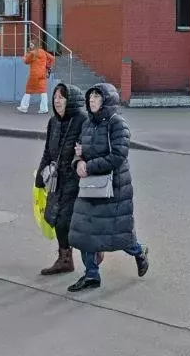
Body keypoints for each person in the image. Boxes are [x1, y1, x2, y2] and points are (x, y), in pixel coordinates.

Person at [68, 83, 149, 292]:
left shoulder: (117, 123)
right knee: (85, 232)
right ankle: (91, 275)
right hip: (89, 186)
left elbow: (118, 156)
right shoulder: (87, 124)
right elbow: (78, 150)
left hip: (113, 188)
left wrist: (89, 166)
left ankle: (139, 252)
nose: (92, 100)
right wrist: (78, 162)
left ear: (107, 100)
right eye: (91, 97)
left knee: (117, 233)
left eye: (97, 97)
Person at [35, 83, 87, 276]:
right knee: (56, 218)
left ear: (70, 100)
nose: (57, 101)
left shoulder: (82, 120)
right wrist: (40, 176)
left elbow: (90, 147)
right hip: (57, 178)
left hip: (76, 178)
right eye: (55, 97)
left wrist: (82, 156)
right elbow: (48, 151)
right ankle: (65, 259)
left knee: (68, 220)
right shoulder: (53, 122)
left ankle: (94, 251)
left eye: (62, 97)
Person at [18, 41, 55, 114]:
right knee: (43, 91)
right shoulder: (43, 52)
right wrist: (48, 66)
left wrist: (24, 57)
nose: (30, 46)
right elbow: (52, 58)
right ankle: (44, 109)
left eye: (31, 45)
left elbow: (26, 62)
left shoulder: (32, 53)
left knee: (28, 90)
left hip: (34, 74)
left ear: (35, 45)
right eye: (30, 45)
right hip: (42, 74)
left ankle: (23, 107)